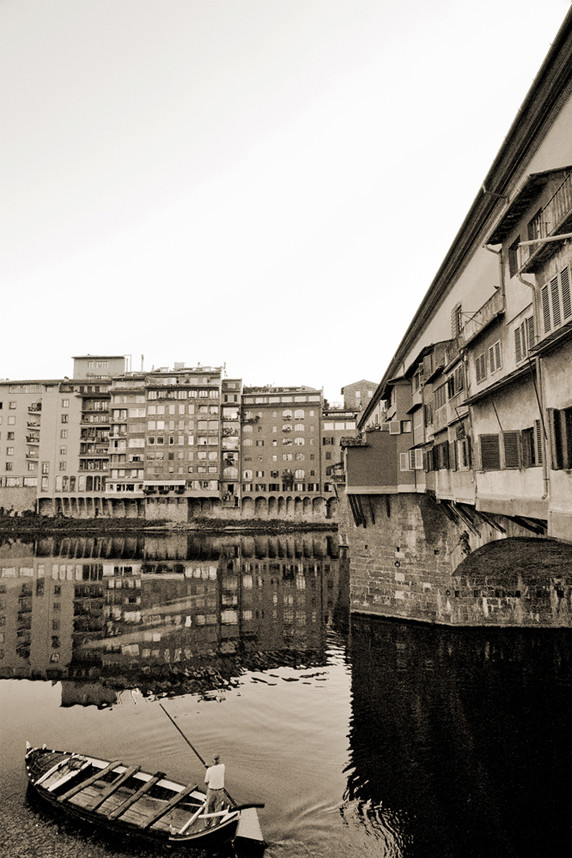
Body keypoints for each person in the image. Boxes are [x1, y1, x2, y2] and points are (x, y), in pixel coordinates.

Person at [204, 754, 225, 821]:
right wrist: (210, 766)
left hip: (211, 791)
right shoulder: (223, 767)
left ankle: (207, 821)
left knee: (208, 806)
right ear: (219, 760)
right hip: (220, 791)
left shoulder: (209, 770)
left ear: (212, 760)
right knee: (218, 806)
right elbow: (216, 766)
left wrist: (209, 767)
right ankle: (216, 822)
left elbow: (206, 782)